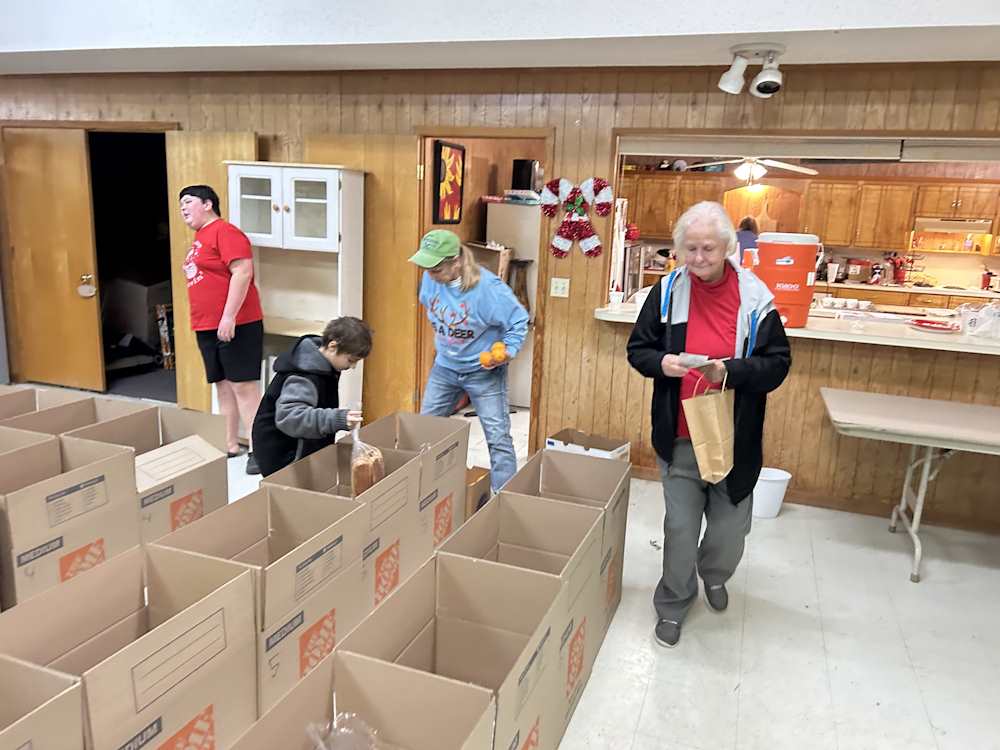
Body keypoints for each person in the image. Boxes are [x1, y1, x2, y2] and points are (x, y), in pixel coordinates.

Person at [626, 201, 791, 648]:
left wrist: (731, 372)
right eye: (691, 249)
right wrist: (663, 362)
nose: (699, 258)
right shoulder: (666, 293)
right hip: (678, 432)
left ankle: (715, 575)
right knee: (679, 527)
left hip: (732, 437)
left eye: (709, 249)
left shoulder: (756, 299)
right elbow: (637, 350)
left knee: (728, 529)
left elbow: (778, 365)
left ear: (727, 248)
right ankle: (674, 603)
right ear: (679, 250)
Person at [411, 229, 528, 492]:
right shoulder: (430, 280)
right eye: (426, 267)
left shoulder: (489, 290)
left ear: (457, 262)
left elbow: (518, 320)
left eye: (436, 268)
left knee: (498, 439)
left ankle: (503, 501)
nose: (430, 275)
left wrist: (507, 351)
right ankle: (423, 494)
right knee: (423, 431)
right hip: (444, 368)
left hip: (482, 372)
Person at [179, 185, 265, 474]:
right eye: (181, 205)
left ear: (207, 203)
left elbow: (243, 272)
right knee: (223, 384)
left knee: (244, 386)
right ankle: (228, 443)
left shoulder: (225, 231)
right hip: (206, 324)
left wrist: (228, 317)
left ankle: (259, 449)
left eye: (188, 202)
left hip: (237, 323)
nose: (183, 209)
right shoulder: (199, 238)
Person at [251, 317, 370, 477]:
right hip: (283, 454)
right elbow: (290, 417)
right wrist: (336, 419)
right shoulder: (304, 376)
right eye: (350, 360)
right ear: (333, 346)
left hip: (298, 446)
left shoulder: (324, 365)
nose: (352, 366)